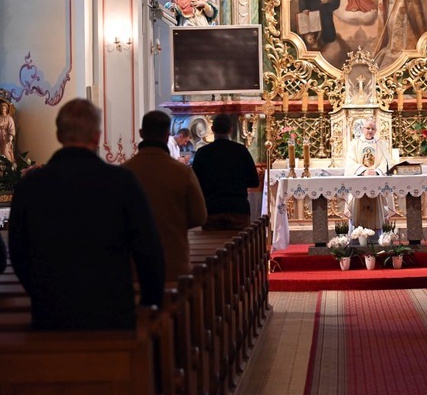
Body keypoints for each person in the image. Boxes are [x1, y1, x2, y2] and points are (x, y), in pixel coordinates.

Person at [8, 99, 165, 330]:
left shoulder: (29, 187)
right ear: (96, 136)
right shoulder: (122, 182)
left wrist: (41, 294)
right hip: (113, 315)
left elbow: (18, 253)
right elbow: (148, 251)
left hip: (51, 317)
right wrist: (149, 304)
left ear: (60, 135)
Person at [123, 111, 207, 282]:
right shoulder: (182, 172)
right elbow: (199, 216)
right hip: (173, 262)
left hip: (135, 267)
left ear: (141, 134)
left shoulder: (124, 173)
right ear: (167, 134)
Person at [192, 114, 259, 231]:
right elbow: (254, 181)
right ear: (231, 129)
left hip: (211, 210)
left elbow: (195, 182)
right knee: (240, 246)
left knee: (212, 247)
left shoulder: (202, 153)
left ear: (212, 129)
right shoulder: (241, 151)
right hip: (237, 210)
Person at [344, 118, 394, 230]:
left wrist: (376, 171)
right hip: (360, 179)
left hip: (376, 180)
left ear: (375, 130)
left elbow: (386, 161)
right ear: (362, 129)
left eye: (372, 129)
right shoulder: (354, 144)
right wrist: (363, 170)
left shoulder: (381, 144)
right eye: (367, 128)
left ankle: (378, 236)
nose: (370, 131)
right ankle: (357, 234)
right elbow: (350, 162)